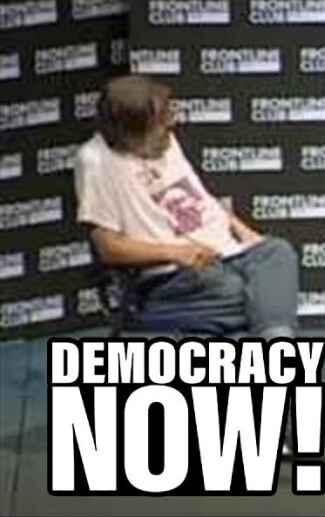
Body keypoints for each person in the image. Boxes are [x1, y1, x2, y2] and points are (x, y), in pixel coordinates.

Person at [74, 74, 299, 339]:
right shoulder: (95, 161)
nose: (172, 123)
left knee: (278, 252)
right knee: (245, 290)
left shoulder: (162, 141)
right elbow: (108, 247)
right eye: (161, 120)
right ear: (131, 128)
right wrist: (176, 253)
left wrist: (245, 233)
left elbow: (199, 199)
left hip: (227, 253)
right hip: (177, 273)